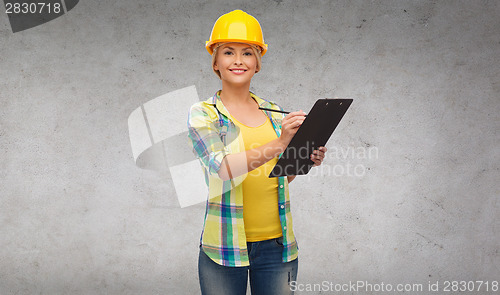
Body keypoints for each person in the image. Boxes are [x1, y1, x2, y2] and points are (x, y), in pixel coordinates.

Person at [187, 10, 327, 295]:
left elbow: (280, 180)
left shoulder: (274, 112)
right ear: (215, 61)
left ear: (257, 62)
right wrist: (279, 145)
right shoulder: (204, 114)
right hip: (224, 248)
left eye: (247, 53)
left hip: (277, 247)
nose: (238, 61)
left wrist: (303, 160)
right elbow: (223, 168)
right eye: (228, 52)